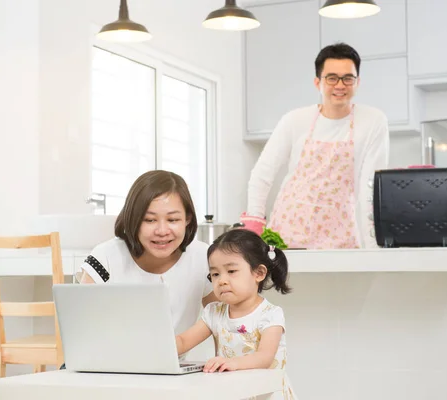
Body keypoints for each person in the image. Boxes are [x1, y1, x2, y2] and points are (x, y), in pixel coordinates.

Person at [241, 42, 390, 249]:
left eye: (348, 78)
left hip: (341, 236)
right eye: (331, 78)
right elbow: (262, 175)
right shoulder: (294, 120)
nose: (340, 85)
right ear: (317, 82)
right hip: (288, 232)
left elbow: (371, 187)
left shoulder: (373, 121)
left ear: (358, 82)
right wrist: (254, 228)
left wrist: (374, 245)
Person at [78, 170, 217, 337]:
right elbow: (81, 327)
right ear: (133, 219)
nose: (162, 231)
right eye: (149, 220)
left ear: (187, 219)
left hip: (175, 362)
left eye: (173, 220)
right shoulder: (105, 257)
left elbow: (223, 319)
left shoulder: (203, 257)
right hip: (109, 361)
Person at [175, 229, 297, 399]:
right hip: (235, 393)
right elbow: (183, 341)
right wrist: (152, 349)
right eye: (215, 274)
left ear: (259, 273)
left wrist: (232, 363)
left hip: (267, 394)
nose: (222, 280)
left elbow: (264, 357)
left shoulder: (270, 314)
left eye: (231, 271)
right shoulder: (214, 312)